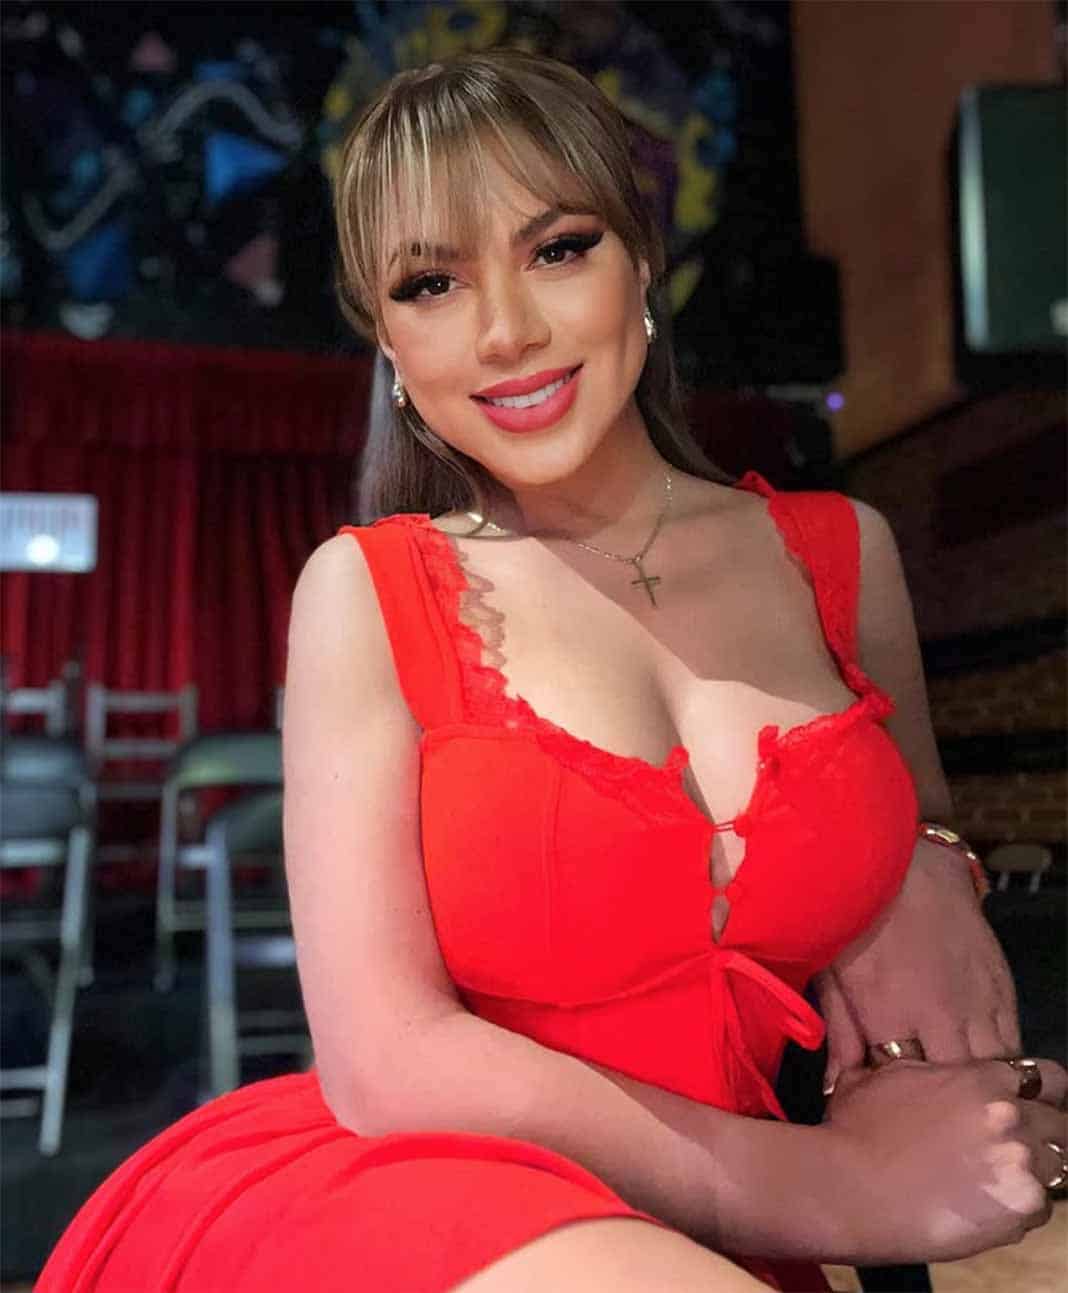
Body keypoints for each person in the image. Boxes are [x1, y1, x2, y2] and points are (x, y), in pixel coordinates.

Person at [40, 49, 1066, 1293]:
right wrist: (843, 1188)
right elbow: (386, 1062)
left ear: (642, 261)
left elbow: (902, 823)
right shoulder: (367, 591)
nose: (505, 331)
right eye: (431, 283)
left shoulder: (845, 556)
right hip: (435, 1190)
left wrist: (927, 869)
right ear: (389, 340)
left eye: (558, 249)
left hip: (728, 1224)